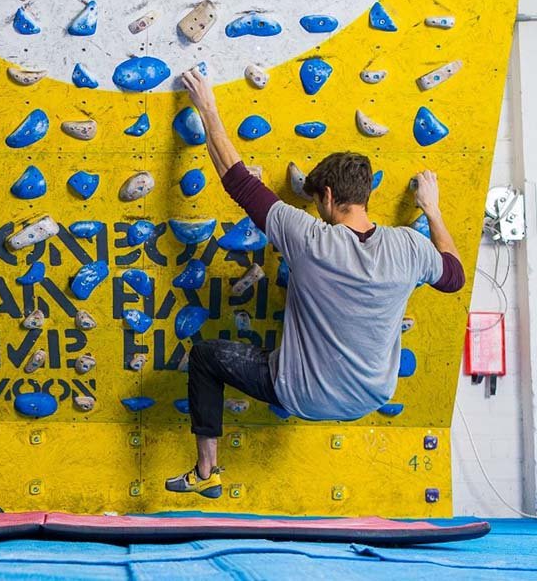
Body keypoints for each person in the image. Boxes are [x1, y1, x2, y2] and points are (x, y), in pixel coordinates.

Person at [165, 68, 466, 498]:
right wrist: (432, 210)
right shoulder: (410, 248)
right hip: (370, 397)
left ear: (325, 197)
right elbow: (453, 276)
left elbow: (236, 178)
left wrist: (207, 107)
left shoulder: (310, 240)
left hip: (301, 394)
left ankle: (207, 471)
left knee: (206, 356)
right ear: (364, 196)